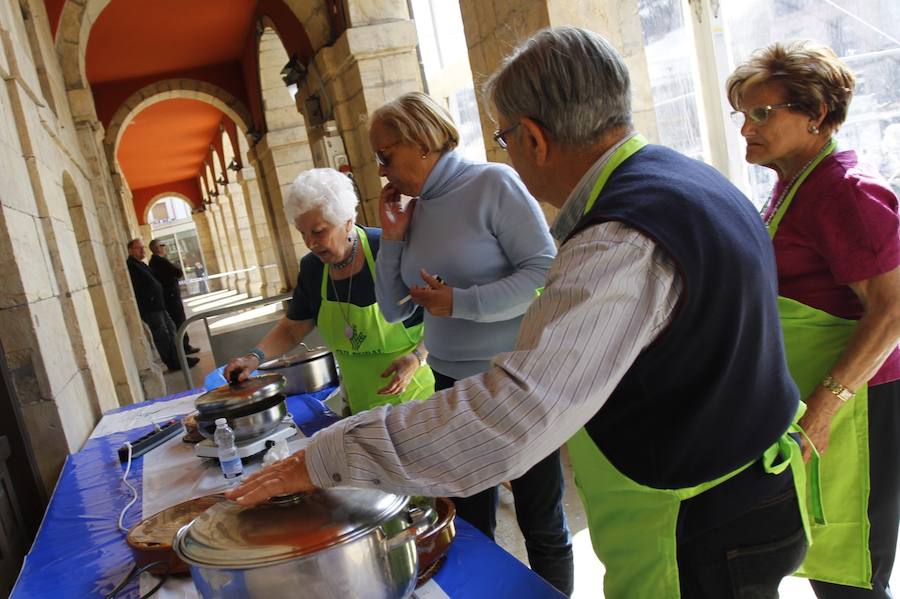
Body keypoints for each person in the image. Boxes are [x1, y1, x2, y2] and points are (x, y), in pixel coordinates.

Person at [228, 27, 809, 598]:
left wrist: (333, 456)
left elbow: (513, 416)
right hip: (740, 479)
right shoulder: (688, 178)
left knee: (542, 518)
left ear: (534, 137)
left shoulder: (619, 237)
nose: (503, 148)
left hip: (695, 518)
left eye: (503, 136)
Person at [370, 91, 573, 595]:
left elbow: (545, 271)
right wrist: (393, 238)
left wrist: (460, 302)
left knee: (539, 518)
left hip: (513, 381)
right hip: (450, 382)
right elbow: (395, 309)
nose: (381, 172)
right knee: (469, 521)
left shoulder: (492, 183)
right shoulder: (414, 210)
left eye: (384, 157)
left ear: (419, 141)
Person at [727, 41, 900, 598]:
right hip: (825, 404)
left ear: (817, 115)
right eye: (742, 115)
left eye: (761, 113)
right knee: (826, 564)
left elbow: (893, 310)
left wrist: (824, 407)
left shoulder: (847, 192)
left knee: (850, 571)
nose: (746, 129)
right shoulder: (793, 186)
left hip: (864, 407)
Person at [223, 168, 434, 414]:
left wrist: (418, 357)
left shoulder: (389, 250)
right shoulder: (312, 268)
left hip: (419, 399)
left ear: (347, 222)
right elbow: (293, 328)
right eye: (302, 233)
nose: (310, 243)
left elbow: (440, 313)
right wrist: (255, 357)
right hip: (360, 407)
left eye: (318, 231)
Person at [126, 239, 199, 372]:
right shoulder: (131, 266)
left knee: (171, 330)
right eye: (138, 248)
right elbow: (139, 287)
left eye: (142, 247)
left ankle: (180, 358)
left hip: (159, 306)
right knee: (162, 336)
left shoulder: (141, 264)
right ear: (130, 250)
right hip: (151, 308)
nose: (142, 250)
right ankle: (174, 362)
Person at [148, 239, 200, 355]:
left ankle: (183, 347)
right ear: (157, 248)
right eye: (162, 245)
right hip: (171, 298)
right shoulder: (160, 261)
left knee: (177, 322)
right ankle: (184, 347)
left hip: (169, 297)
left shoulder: (154, 261)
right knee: (179, 321)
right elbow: (178, 272)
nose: (164, 247)